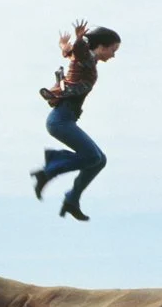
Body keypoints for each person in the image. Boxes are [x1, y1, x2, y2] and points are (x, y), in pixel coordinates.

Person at [30, 19, 121, 221]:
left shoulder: (87, 61)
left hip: (66, 120)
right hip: (60, 120)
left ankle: (72, 200)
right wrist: (80, 38)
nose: (114, 55)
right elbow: (80, 51)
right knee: (92, 157)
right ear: (102, 46)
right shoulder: (86, 57)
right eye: (113, 50)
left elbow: (70, 52)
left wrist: (64, 45)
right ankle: (47, 171)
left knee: (99, 161)